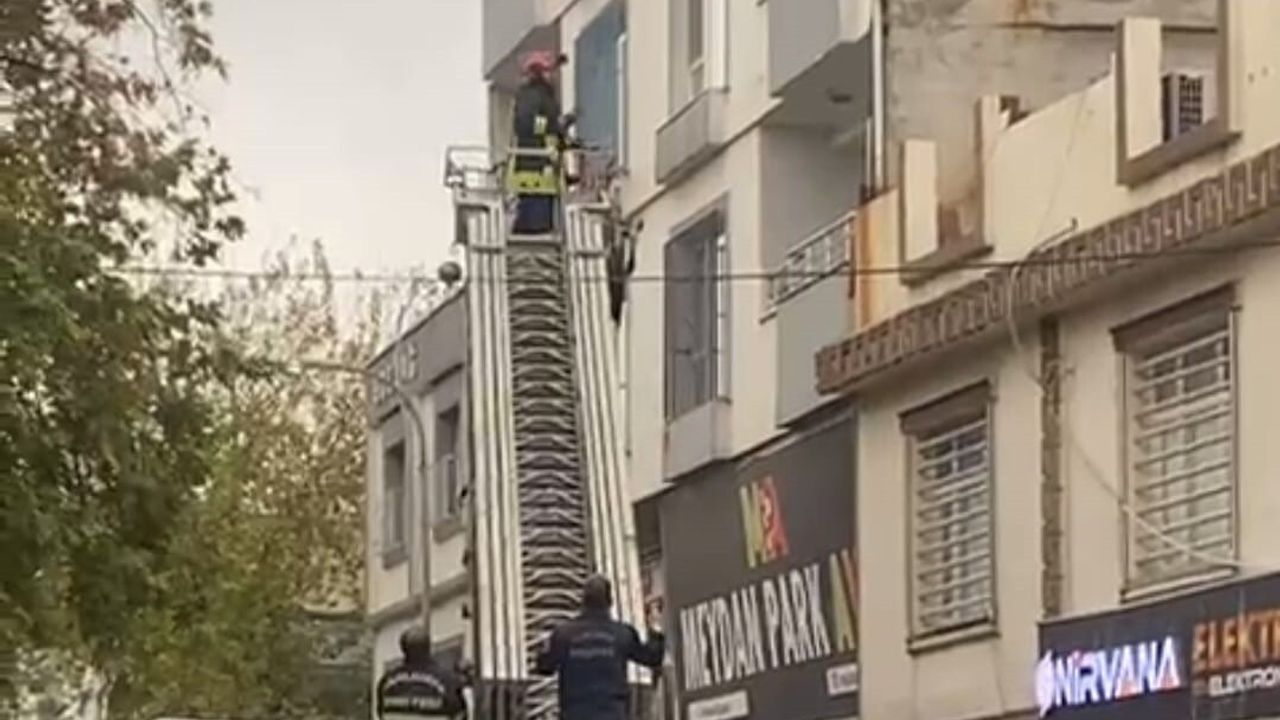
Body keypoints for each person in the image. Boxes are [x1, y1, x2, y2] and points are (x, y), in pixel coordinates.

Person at [534, 575, 666, 720]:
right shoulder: (623, 634)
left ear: (582, 601)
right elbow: (653, 658)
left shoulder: (563, 634)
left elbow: (544, 667)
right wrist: (655, 626)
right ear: (610, 602)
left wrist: (542, 649)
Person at [509, 50, 565, 235]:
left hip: (544, 166)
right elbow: (528, 124)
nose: (554, 75)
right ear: (540, 73)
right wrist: (551, 126)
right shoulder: (531, 95)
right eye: (550, 71)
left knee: (542, 215)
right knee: (534, 217)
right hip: (533, 167)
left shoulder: (543, 96)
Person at [375, 625, 468, 720]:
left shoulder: (386, 683)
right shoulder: (447, 681)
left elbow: (381, 713)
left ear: (403, 649)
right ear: (429, 647)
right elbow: (460, 714)